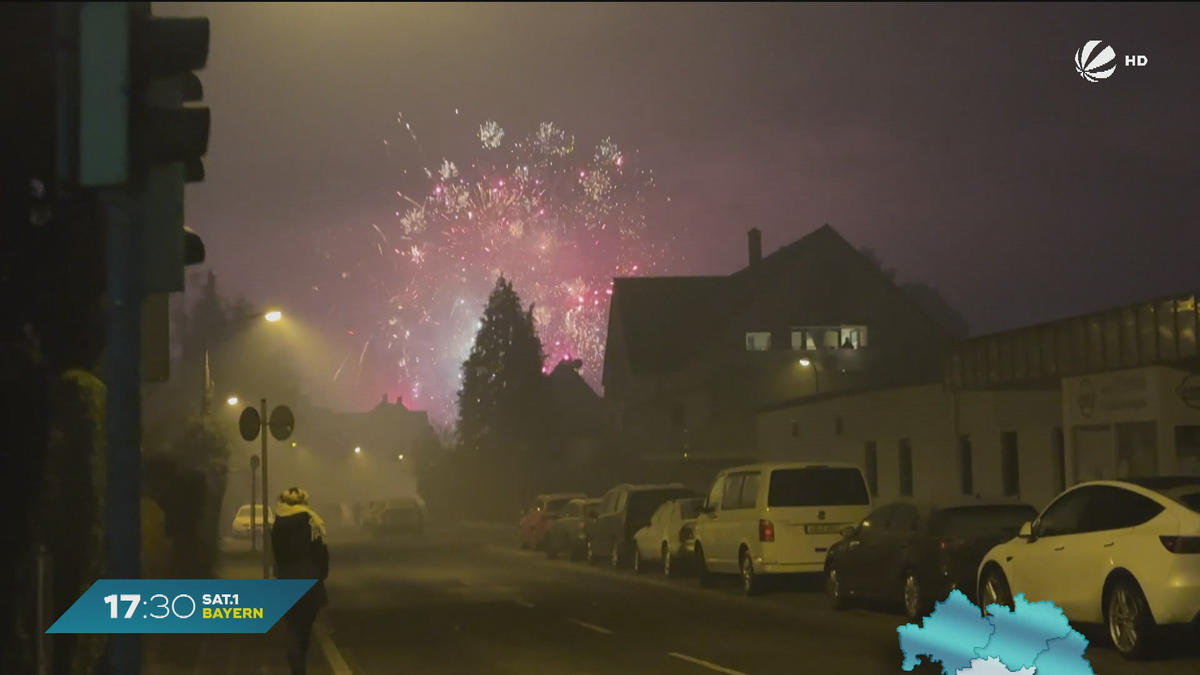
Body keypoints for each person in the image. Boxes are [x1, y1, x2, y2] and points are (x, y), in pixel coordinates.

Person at [271, 487, 329, 675]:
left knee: (292, 628)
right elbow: (320, 553)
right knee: (305, 628)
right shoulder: (311, 521)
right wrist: (321, 574)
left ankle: (297, 670)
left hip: (286, 579)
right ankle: (300, 665)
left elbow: (276, 555)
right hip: (309, 578)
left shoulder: (278, 524)